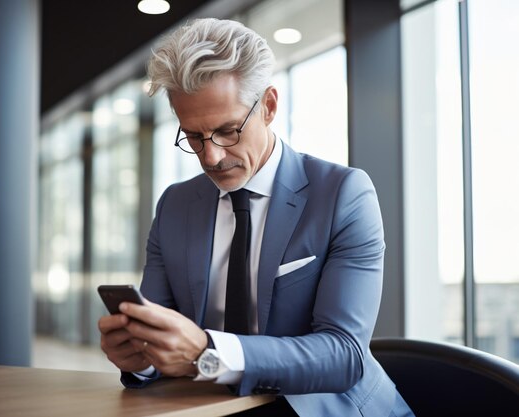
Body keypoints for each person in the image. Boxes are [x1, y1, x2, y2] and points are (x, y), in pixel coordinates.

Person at [98, 17, 414, 416]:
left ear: (268, 106)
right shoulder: (175, 205)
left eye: (228, 131)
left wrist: (208, 352)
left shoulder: (343, 195)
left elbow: (344, 354)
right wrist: (140, 358)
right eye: (193, 137)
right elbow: (160, 331)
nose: (210, 157)